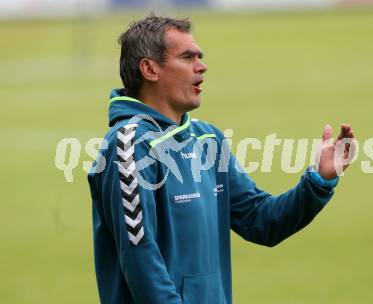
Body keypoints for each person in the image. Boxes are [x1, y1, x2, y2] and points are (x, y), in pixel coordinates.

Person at [87, 15, 355, 304]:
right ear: (150, 69)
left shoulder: (207, 140)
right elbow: (139, 254)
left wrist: (319, 180)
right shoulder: (128, 146)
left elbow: (261, 220)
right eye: (187, 57)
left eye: (200, 57)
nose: (202, 66)